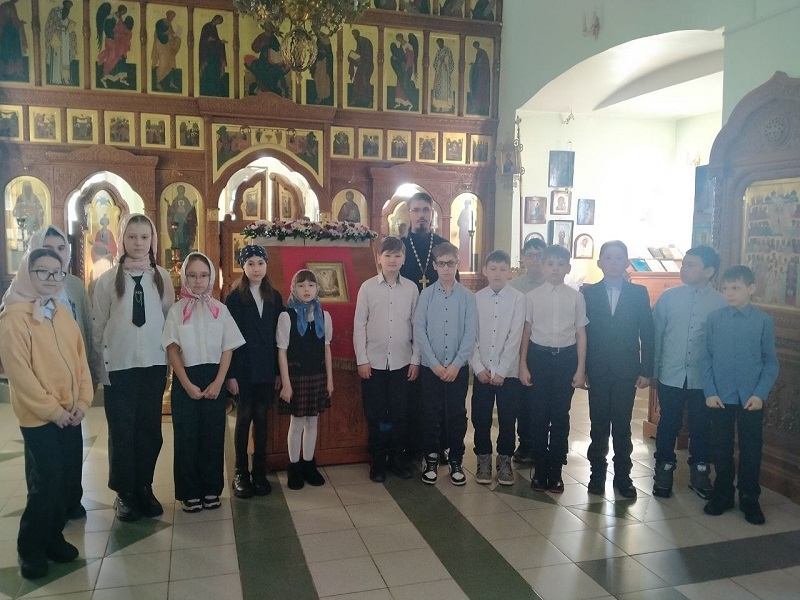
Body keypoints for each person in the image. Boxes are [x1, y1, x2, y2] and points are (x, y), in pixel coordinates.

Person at [0, 248, 93, 579]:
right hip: (39, 418)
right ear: (27, 273)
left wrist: (83, 402)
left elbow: (80, 362)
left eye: (57, 272)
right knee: (47, 482)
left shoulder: (61, 312)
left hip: (70, 413)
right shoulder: (13, 318)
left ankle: (53, 538)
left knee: (65, 481)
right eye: (43, 271)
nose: (51, 278)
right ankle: (30, 547)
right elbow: (20, 375)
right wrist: (53, 411)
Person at [91, 214, 174, 523]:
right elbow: (98, 327)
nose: (138, 243)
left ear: (153, 240)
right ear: (122, 239)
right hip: (120, 367)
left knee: (149, 431)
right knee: (122, 431)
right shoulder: (107, 280)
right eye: (132, 237)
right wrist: (99, 368)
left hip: (153, 365)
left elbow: (168, 320)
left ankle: (144, 487)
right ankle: (125, 492)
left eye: (144, 237)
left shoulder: (160, 277)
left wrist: (169, 363)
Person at [163, 252, 244, 513]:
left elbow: (228, 347)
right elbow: (172, 350)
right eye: (193, 276)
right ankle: (189, 492)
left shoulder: (220, 309)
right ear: (185, 278)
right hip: (186, 378)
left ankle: (211, 489)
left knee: (212, 435)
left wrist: (220, 381)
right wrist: (185, 384)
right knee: (187, 437)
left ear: (211, 277)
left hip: (213, 378)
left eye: (204, 275)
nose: (198, 281)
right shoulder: (176, 311)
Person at [703, 265, 779, 524]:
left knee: (751, 448)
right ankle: (722, 493)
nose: (729, 293)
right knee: (720, 447)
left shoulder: (763, 321)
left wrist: (760, 393)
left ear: (751, 289)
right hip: (720, 396)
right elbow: (706, 358)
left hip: (751, 398)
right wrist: (710, 391)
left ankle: (749, 496)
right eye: (725, 288)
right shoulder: (715, 319)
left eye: (735, 288)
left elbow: (770, 362)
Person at [651, 246, 727, 498]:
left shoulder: (721, 302)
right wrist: (653, 370)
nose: (684, 269)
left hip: (703, 379)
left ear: (709, 271)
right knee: (668, 423)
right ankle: (663, 470)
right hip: (670, 373)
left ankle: (700, 473)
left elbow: (722, 345)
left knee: (701, 426)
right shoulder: (669, 298)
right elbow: (657, 335)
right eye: (684, 264)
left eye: (691, 265)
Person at [583, 241, 654, 498]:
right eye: (608, 258)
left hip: (626, 369)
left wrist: (646, 369)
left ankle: (623, 476)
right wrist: (583, 368)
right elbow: (583, 334)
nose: (613, 263)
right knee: (598, 423)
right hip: (597, 368)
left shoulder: (638, 293)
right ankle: (597, 474)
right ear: (600, 262)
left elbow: (647, 332)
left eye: (619, 258)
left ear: (627, 262)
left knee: (622, 425)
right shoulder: (589, 293)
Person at [519, 244, 587, 493]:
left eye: (560, 264)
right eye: (550, 264)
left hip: (566, 359)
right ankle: (539, 468)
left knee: (560, 415)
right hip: (538, 358)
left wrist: (580, 368)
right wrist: (522, 364)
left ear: (568, 268)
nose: (555, 269)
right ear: (543, 267)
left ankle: (556, 468)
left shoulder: (576, 297)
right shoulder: (532, 297)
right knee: (538, 415)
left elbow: (581, 334)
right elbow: (526, 332)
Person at [354, 236, 419, 482]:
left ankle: (398, 459)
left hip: (403, 363)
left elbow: (417, 326)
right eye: (387, 255)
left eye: (397, 255)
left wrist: (416, 359)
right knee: (377, 414)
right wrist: (362, 359)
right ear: (379, 258)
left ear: (404, 259)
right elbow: (359, 325)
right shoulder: (368, 287)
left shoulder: (411, 288)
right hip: (374, 364)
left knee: (400, 414)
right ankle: (378, 461)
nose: (392, 260)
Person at [414, 242, 477, 485]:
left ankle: (456, 460)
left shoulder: (467, 297)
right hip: (432, 368)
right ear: (435, 266)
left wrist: (456, 364)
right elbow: (420, 331)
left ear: (457, 264)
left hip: (457, 369)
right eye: (442, 264)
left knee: (456, 414)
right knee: (430, 413)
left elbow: (470, 333)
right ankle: (431, 458)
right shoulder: (426, 295)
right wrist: (434, 364)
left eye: (451, 263)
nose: (447, 268)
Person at [225, 245, 284, 498]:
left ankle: (259, 471)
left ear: (266, 265)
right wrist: (230, 375)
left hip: (266, 368)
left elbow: (279, 338)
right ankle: (241, 472)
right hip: (243, 369)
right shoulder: (234, 298)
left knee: (262, 418)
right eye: (250, 263)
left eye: (260, 263)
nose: (256, 268)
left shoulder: (274, 297)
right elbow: (228, 339)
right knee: (244, 417)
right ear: (243, 266)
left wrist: (279, 372)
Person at [470, 250, 525, 486]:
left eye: (503, 269)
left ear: (509, 272)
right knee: (481, 417)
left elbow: (515, 336)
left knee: (507, 417)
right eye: (493, 269)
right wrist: (478, 367)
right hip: (482, 371)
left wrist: (501, 370)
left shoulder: (518, 299)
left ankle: (505, 460)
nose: (497, 273)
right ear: (485, 271)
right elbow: (470, 335)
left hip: (508, 373)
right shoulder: (476, 298)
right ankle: (483, 459)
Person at [277, 270, 334, 490]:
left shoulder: (323, 315)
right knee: (297, 423)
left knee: (313, 421)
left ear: (317, 288)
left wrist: (330, 380)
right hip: (297, 376)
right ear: (294, 288)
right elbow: (282, 351)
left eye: (311, 285)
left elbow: (326, 348)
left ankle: (309, 464)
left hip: (317, 375)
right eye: (301, 285)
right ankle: (294, 467)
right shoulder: (287, 316)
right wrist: (286, 384)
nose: (307, 289)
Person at [510, 237, 546, 464]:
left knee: (542, 400)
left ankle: (542, 443)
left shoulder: (552, 283)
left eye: (539, 255)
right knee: (522, 400)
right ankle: (525, 443)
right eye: (530, 255)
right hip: (520, 348)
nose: (534, 260)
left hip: (545, 349)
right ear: (522, 258)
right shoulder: (514, 286)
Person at [96, 3, 134, 88]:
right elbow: (108, 29)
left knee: (121, 57)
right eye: (123, 11)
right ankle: (105, 76)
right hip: (111, 40)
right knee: (112, 56)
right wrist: (115, 37)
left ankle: (121, 78)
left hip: (118, 42)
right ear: (120, 10)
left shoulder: (120, 18)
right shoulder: (111, 17)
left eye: (125, 12)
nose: (123, 13)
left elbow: (122, 28)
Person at [44, 0, 77, 86]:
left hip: (65, 40)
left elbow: (69, 28)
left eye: (69, 9)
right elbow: (50, 26)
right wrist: (58, 31)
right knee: (57, 60)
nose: (68, 10)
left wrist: (71, 31)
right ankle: (57, 79)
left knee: (65, 60)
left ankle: (66, 78)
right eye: (67, 7)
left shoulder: (66, 17)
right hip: (56, 41)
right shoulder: (55, 13)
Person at [151, 10, 181, 92]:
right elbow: (160, 34)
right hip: (161, 45)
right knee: (164, 63)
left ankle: (171, 83)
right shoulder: (161, 22)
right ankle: (157, 82)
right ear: (168, 15)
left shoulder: (169, 24)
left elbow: (171, 34)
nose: (172, 18)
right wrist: (168, 36)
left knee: (172, 63)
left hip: (168, 46)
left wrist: (175, 36)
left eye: (173, 17)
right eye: (172, 16)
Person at [198, 15, 227, 97]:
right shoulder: (206, 27)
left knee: (215, 72)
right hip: (208, 53)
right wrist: (216, 41)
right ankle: (208, 91)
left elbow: (215, 39)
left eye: (220, 22)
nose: (218, 23)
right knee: (208, 72)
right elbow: (206, 39)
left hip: (214, 54)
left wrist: (220, 42)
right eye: (219, 21)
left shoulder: (214, 28)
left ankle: (215, 90)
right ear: (215, 19)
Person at [0, 0, 28, 81]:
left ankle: (7, 72)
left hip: (5, 34)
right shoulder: (10, 6)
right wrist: (21, 24)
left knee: (6, 53)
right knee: (13, 53)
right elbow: (15, 21)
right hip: (11, 34)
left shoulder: (3, 5)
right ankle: (12, 72)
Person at [348, 29, 373, 108]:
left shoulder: (365, 42)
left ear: (358, 34)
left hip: (367, 65)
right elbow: (358, 52)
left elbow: (368, 55)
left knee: (365, 80)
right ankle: (355, 99)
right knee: (356, 81)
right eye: (353, 36)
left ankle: (370, 100)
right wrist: (353, 57)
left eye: (355, 35)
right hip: (362, 65)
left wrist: (359, 59)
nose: (354, 37)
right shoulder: (359, 42)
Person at [432, 38, 454, 113]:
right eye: (438, 44)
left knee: (445, 90)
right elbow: (435, 62)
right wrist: (439, 62)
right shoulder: (438, 51)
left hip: (445, 73)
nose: (439, 45)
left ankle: (445, 107)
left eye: (439, 43)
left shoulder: (447, 50)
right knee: (438, 89)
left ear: (442, 42)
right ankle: (438, 106)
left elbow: (450, 61)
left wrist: (445, 62)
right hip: (439, 73)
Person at [468, 41, 491, 115]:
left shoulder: (482, 53)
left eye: (475, 46)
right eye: (474, 46)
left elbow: (482, 64)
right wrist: (474, 64)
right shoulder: (479, 52)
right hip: (479, 74)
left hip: (482, 76)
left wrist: (475, 65)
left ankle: (482, 107)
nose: (475, 47)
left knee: (480, 91)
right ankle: (478, 106)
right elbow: (478, 63)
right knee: (476, 90)